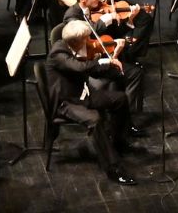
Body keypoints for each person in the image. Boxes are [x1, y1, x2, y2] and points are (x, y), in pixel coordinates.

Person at [45, 19, 138, 186]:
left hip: (83, 94)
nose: (89, 41)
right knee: (95, 120)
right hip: (66, 102)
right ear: (77, 41)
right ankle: (113, 168)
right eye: (86, 39)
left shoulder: (76, 47)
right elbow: (81, 68)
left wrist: (112, 61)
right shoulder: (58, 52)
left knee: (120, 99)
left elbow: (91, 68)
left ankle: (118, 142)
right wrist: (105, 61)